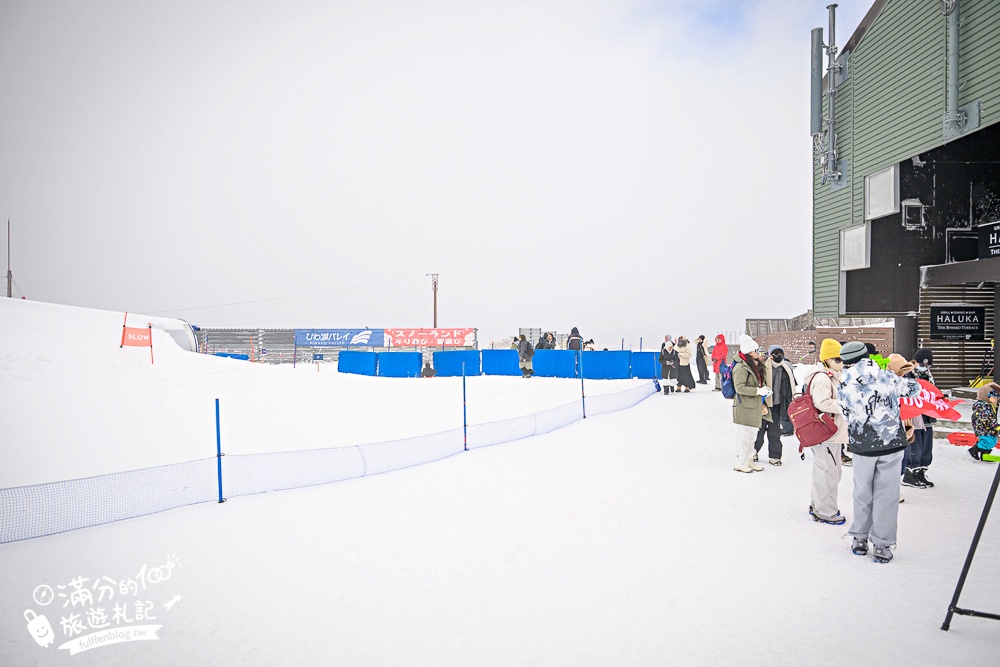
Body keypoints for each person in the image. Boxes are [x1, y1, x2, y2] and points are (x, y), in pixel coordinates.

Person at [838, 340, 921, 563]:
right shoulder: (885, 375)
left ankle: (859, 539)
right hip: (891, 441)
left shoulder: (845, 381)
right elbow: (914, 390)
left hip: (863, 444)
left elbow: (845, 411)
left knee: (863, 492)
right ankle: (882, 545)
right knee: (887, 494)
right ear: (866, 355)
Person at [803, 339, 848, 525]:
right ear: (827, 359)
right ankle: (825, 510)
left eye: (842, 358)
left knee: (826, 469)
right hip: (827, 432)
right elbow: (821, 403)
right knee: (828, 472)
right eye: (837, 359)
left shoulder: (830, 375)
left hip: (829, 432)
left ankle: (819, 505)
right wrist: (846, 405)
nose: (841, 362)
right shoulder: (823, 377)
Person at [733, 334, 772, 473]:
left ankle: (749, 461)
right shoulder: (740, 368)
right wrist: (758, 391)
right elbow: (740, 388)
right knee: (744, 437)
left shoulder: (754, 366)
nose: (757, 353)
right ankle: (740, 462)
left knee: (752, 437)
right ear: (749, 352)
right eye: (755, 350)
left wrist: (764, 390)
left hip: (754, 406)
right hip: (744, 407)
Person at [754, 344, 797, 466]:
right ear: (770, 355)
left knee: (775, 432)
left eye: (781, 354)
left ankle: (775, 456)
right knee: (759, 431)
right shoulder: (762, 367)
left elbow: (791, 387)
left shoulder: (786, 369)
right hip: (764, 404)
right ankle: (753, 452)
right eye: (776, 354)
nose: (779, 356)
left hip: (778, 406)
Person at [907, 348, 936, 486]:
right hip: (914, 417)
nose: (924, 368)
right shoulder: (908, 374)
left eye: (927, 365)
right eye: (921, 364)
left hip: (928, 415)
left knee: (926, 446)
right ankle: (910, 472)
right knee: (915, 445)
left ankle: (921, 472)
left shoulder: (929, 376)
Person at [970, 382, 1000, 461]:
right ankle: (975, 450)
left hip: (989, 428)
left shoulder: (990, 404)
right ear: (985, 395)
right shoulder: (981, 405)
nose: (996, 399)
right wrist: (996, 426)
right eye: (994, 396)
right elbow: (986, 418)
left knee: (993, 440)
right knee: (987, 441)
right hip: (982, 428)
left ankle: (984, 454)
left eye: (997, 397)